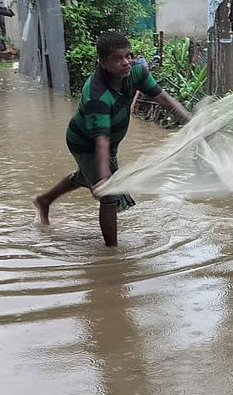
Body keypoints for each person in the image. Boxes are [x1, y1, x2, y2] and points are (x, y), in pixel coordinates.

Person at [34, 32, 192, 246]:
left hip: (109, 139)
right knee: (109, 193)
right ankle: (112, 254)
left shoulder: (137, 71)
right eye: (117, 59)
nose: (126, 62)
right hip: (85, 141)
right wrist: (104, 177)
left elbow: (163, 98)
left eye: (128, 55)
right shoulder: (96, 94)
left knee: (88, 176)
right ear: (103, 63)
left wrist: (191, 121)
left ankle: (44, 200)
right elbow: (101, 141)